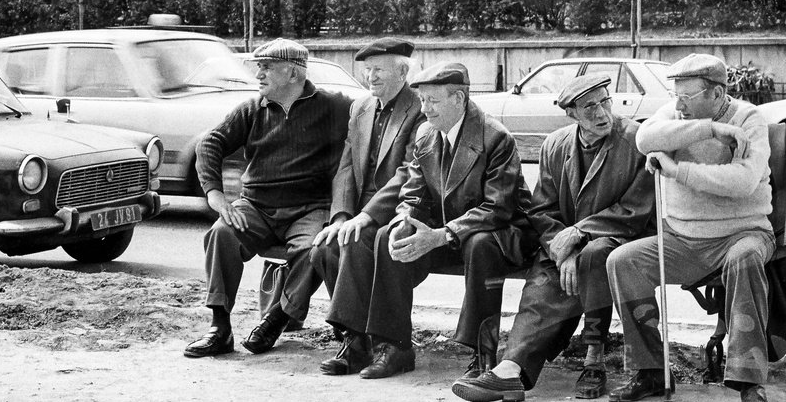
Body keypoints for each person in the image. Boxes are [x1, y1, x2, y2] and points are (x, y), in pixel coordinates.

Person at [326, 61, 539, 379]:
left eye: (433, 101)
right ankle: (396, 347)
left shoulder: (495, 137)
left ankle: (482, 354)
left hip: (502, 233)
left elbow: (498, 208)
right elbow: (412, 195)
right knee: (390, 235)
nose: (425, 109)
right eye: (422, 100)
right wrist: (404, 219)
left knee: (481, 244)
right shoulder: (427, 134)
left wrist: (441, 235)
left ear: (459, 99)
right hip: (447, 232)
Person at [452, 73, 655, 402]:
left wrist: (579, 233)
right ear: (571, 113)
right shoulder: (556, 144)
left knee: (595, 256)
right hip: (566, 244)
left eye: (605, 102)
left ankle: (594, 360)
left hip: (622, 237)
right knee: (542, 283)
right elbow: (542, 208)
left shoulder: (636, 139)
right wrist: (564, 248)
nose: (602, 114)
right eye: (589, 107)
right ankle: (509, 369)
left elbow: (636, 209)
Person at [605, 52, 776, 402]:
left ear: (716, 95)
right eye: (676, 95)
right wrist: (710, 129)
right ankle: (650, 370)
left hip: (741, 234)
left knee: (745, 258)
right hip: (683, 240)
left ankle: (749, 384)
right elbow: (645, 138)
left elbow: (743, 182)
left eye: (687, 96)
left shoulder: (749, 118)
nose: (677, 104)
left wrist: (676, 169)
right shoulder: (679, 114)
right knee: (623, 261)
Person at [184, 38, 352, 358]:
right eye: (258, 67)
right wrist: (216, 196)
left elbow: (371, 118)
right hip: (256, 206)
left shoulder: (333, 106)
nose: (258, 74)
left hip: (310, 208)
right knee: (221, 234)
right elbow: (211, 144)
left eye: (266, 68)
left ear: (293, 73)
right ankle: (220, 328)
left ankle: (277, 318)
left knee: (312, 248)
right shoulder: (251, 109)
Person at [310, 37, 426, 375]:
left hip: (401, 208)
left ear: (402, 72)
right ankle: (355, 340)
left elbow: (408, 171)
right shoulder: (361, 108)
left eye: (378, 70)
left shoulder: (419, 108)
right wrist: (343, 215)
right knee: (326, 247)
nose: (370, 78)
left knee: (360, 242)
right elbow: (346, 166)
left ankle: (391, 344)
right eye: (367, 71)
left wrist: (364, 216)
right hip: (360, 211)